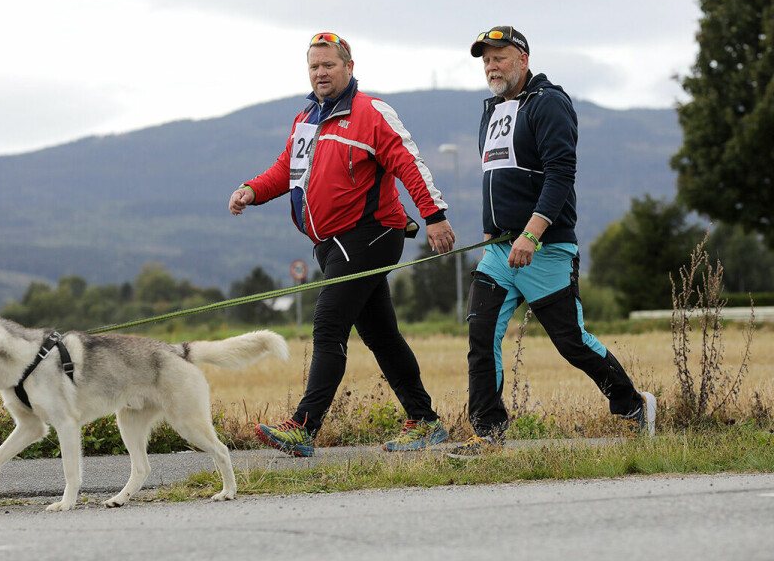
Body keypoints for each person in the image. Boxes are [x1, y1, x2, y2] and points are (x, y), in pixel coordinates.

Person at [228, 32, 455, 456]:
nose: (320, 73)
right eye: (314, 66)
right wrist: (252, 190)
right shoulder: (307, 118)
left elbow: (409, 163)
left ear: (348, 68)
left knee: (328, 325)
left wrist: (434, 216)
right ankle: (425, 422)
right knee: (382, 336)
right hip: (330, 243)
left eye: (328, 65)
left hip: (372, 233)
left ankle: (303, 427)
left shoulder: (371, 112)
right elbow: (286, 169)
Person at [450, 26, 656, 455]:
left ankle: (634, 406)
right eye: (486, 59)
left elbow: (561, 174)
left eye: (500, 57)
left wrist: (531, 232)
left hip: (543, 248)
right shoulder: (492, 109)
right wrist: (493, 229)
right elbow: (497, 175)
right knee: (481, 332)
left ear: (524, 59)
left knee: (571, 342)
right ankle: (488, 436)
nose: (491, 65)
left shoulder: (549, 103)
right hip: (499, 250)